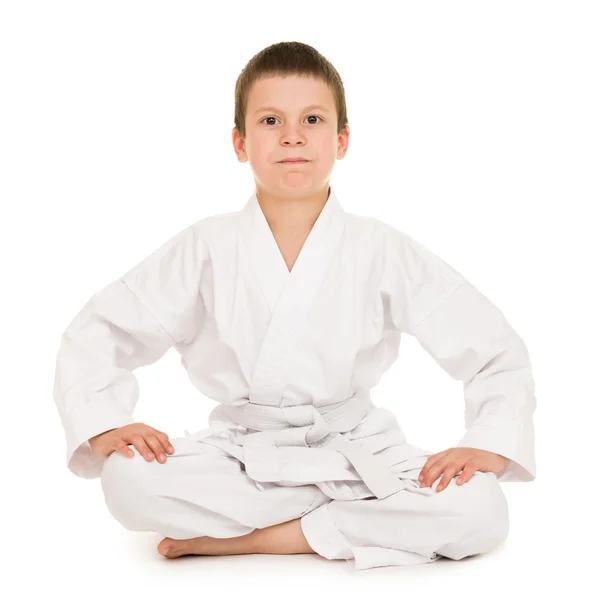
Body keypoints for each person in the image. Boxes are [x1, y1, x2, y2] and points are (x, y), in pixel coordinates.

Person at [53, 41, 536, 571]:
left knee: (480, 508)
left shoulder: (379, 247)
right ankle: (350, 521)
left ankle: (257, 538)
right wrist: (103, 422)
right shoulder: (206, 246)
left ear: (341, 140)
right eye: (269, 120)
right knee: (127, 480)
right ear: (239, 143)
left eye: (312, 118)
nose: (292, 136)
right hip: (243, 456)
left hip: (355, 450)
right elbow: (99, 331)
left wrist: (489, 440)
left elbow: (493, 348)